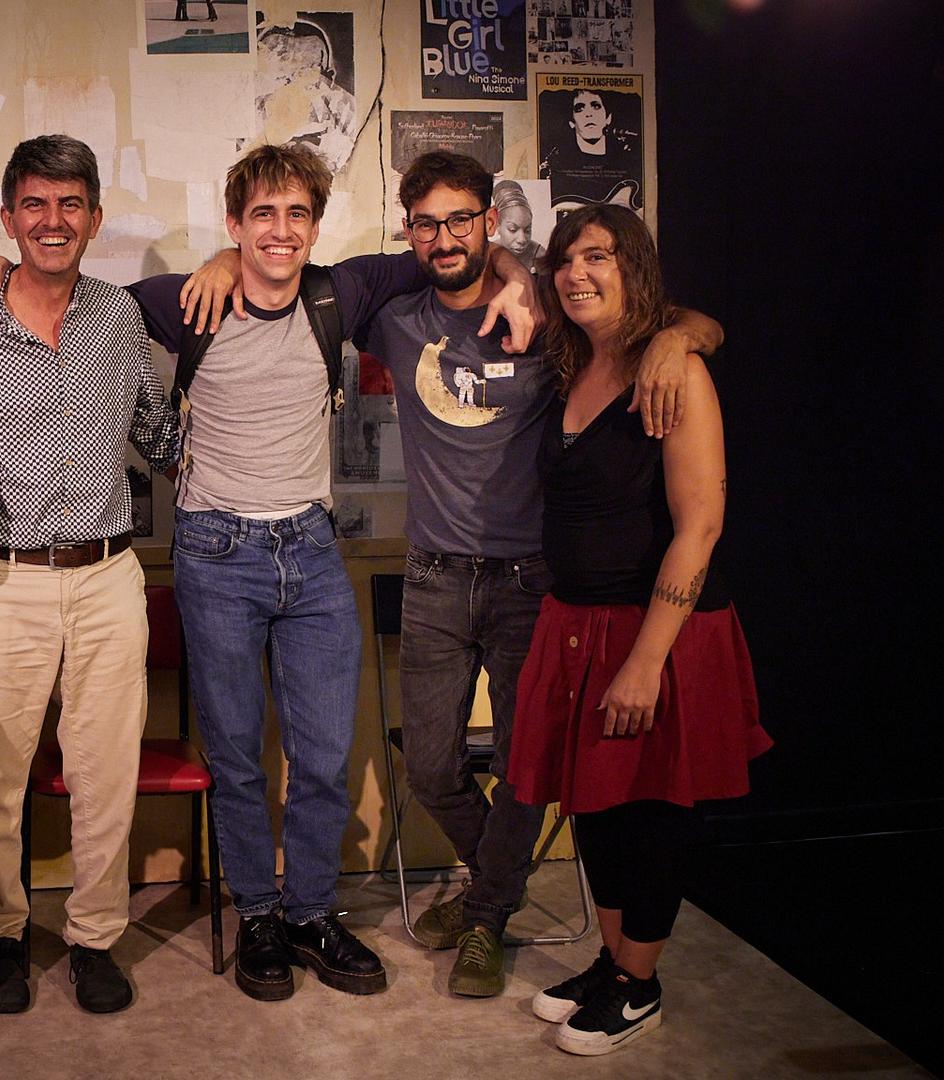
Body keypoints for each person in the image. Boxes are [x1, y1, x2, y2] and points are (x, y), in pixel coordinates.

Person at [176, 149, 720, 1000]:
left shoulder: (549, 311)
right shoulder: (389, 312)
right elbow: (275, 276)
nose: (444, 237)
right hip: (432, 576)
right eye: (426, 224)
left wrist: (679, 338)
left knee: (525, 766)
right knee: (430, 767)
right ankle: (494, 883)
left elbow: (676, 320)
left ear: (488, 222)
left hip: (532, 582)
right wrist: (221, 257)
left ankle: (488, 914)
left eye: (461, 219)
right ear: (409, 231)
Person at [0, 134, 179, 1017]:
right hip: (1, 576)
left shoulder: (120, 317)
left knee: (106, 775)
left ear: (94, 218)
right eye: (35, 204)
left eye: (69, 205)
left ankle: (95, 938)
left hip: (107, 575)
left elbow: (156, 433)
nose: (52, 221)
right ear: (9, 217)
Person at [511, 204, 768, 1056]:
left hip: (656, 630)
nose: (576, 273)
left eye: (600, 256)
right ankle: (614, 962)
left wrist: (647, 661)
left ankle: (640, 984)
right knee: (597, 807)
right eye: (565, 259)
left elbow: (701, 526)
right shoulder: (574, 363)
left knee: (651, 811)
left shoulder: (675, 369)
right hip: (579, 623)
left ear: (636, 268)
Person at [257, 22, 359, 173]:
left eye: (304, 71)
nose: (290, 86)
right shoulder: (249, 113)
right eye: (280, 76)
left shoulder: (345, 112)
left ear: (327, 75)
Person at [490, 179, 542, 273]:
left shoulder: (539, 255)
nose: (522, 240)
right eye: (513, 229)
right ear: (497, 224)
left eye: (527, 230)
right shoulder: (487, 255)